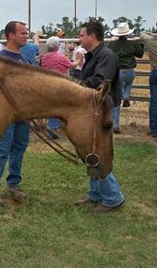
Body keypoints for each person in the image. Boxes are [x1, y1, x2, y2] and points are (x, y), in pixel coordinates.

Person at [75, 21, 125, 214]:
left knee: (98, 150)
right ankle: (96, 194)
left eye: (81, 35)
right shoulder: (97, 55)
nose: (79, 39)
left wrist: (73, 86)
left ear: (92, 36)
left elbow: (99, 82)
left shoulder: (106, 56)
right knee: (92, 148)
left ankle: (113, 197)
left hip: (102, 109)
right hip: (95, 107)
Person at [0, 21, 30, 207]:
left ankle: (13, 184)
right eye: (23, 33)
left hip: (23, 115)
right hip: (6, 116)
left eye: (26, 33)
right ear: (11, 35)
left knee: (19, 148)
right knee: (2, 149)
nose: (26, 35)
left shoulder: (26, 61)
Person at [39, 36, 80, 139]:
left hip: (47, 84)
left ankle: (51, 127)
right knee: (59, 106)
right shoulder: (61, 57)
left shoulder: (44, 57)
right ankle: (53, 128)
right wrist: (79, 60)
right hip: (60, 84)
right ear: (57, 46)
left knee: (51, 106)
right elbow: (72, 65)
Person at [108, 22, 144, 133]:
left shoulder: (113, 45)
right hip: (130, 71)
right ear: (128, 33)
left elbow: (108, 54)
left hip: (118, 72)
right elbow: (140, 54)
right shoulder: (132, 44)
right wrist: (140, 43)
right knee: (129, 83)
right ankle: (127, 95)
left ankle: (115, 125)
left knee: (116, 99)